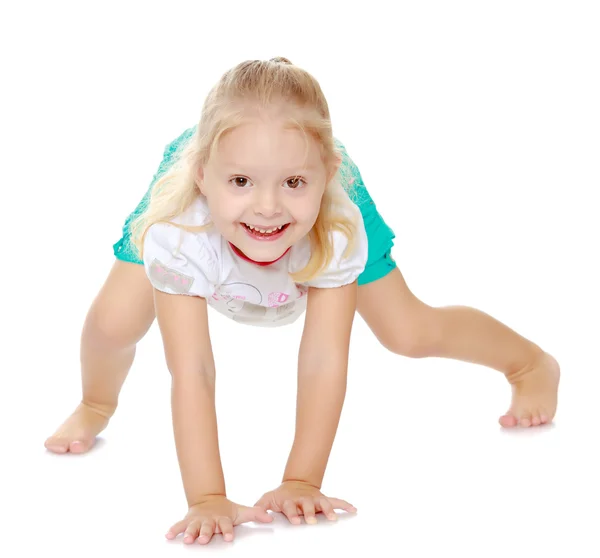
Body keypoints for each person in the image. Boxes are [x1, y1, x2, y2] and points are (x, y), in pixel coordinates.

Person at [44, 57, 560, 545]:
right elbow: (193, 370)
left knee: (410, 332)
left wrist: (301, 481)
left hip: (320, 211)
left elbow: (322, 360)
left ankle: (529, 365)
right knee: (113, 323)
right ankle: (95, 403)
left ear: (326, 174)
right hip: (197, 199)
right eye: (242, 182)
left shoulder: (335, 226)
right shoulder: (182, 231)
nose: (267, 208)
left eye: (293, 183)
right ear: (204, 174)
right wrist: (207, 498)